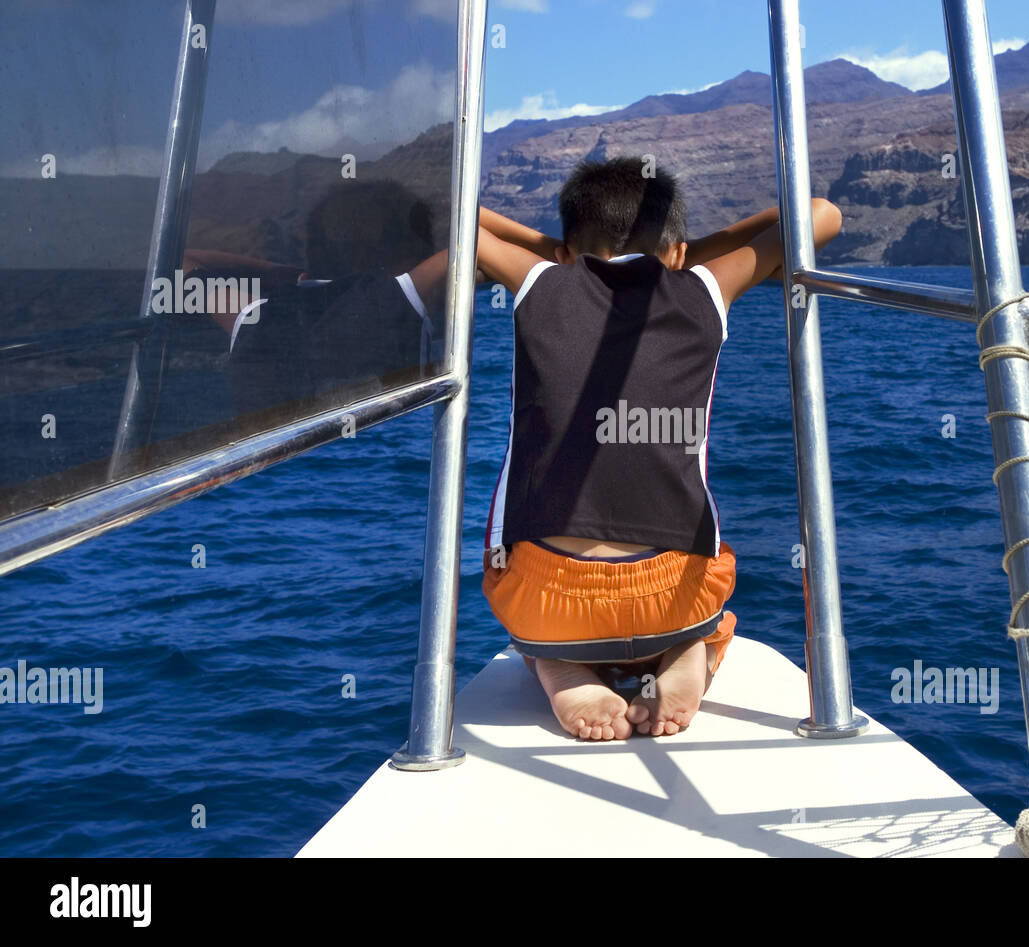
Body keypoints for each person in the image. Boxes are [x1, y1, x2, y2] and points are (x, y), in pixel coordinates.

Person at [474, 157, 842, 741]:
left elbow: (453, 220)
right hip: (671, 597)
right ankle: (691, 649)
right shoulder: (702, 286)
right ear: (675, 252)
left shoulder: (542, 279)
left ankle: (558, 662)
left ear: (569, 251)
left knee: (511, 575)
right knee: (706, 589)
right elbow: (823, 215)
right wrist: (689, 254)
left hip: (547, 600)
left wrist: (554, 251)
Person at [183, 180, 448, 419]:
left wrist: (282, 273)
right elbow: (471, 242)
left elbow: (181, 261)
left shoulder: (257, 319)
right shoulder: (394, 299)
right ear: (397, 261)